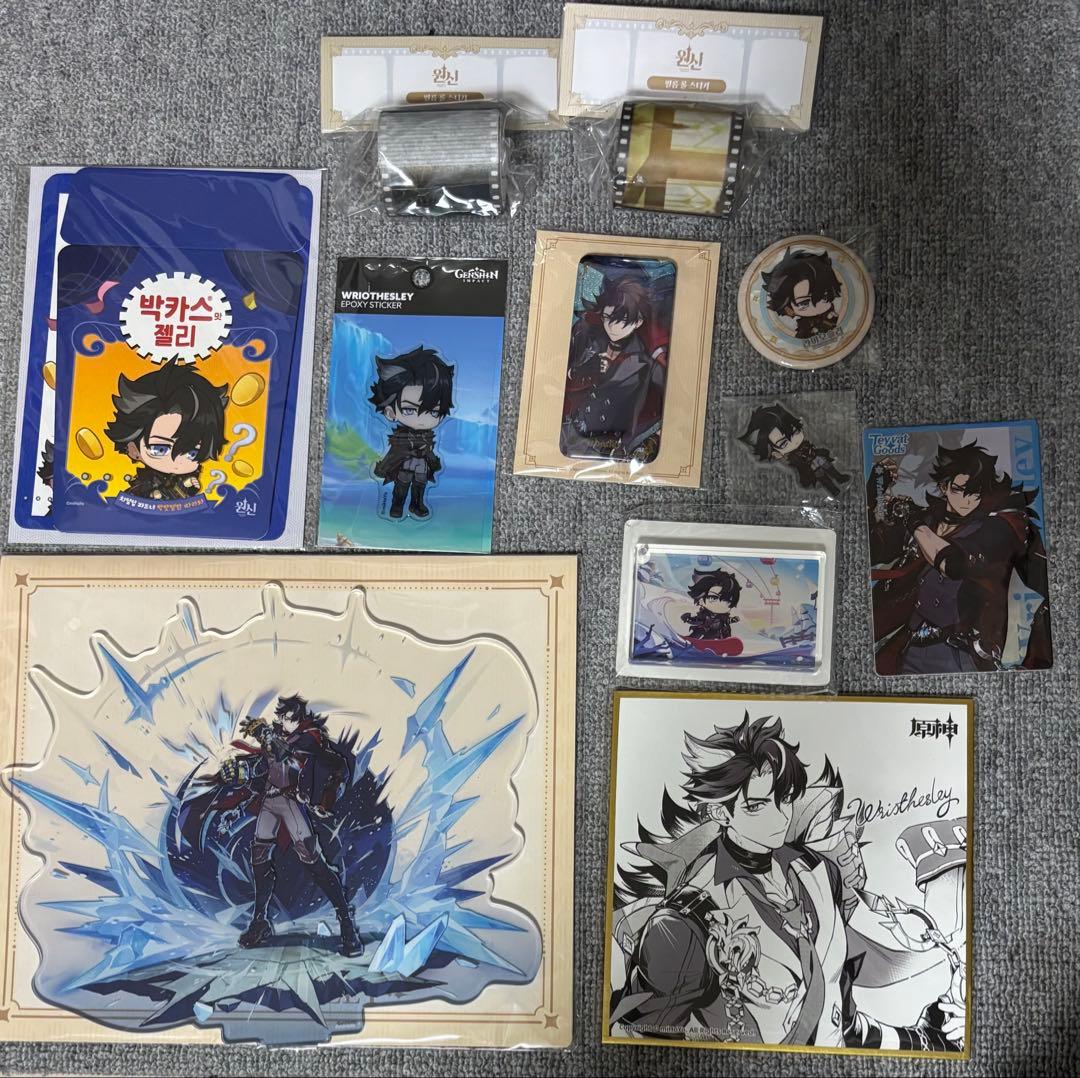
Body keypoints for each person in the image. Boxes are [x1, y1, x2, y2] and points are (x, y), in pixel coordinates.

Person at [610, 712, 965, 1050]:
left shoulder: (820, 871)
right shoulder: (682, 923)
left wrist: (926, 1040)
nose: (779, 817)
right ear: (720, 812)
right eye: (756, 806)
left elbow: (839, 1020)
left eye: (785, 798)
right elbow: (641, 1041)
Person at [867, 440, 1052, 673]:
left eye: (976, 491)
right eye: (959, 489)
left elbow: (953, 564)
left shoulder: (994, 529)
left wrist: (1037, 661)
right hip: (909, 649)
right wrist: (873, 492)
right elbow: (873, 550)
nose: (968, 499)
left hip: (961, 656)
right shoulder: (929, 520)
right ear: (944, 487)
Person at [104, 357, 228, 501]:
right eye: (160, 449)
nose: (177, 461)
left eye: (192, 453)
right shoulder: (146, 481)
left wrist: (191, 485)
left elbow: (186, 492)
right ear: (133, 449)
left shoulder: (185, 476)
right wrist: (153, 495)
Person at [369, 346, 454, 520]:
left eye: (434, 411)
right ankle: (397, 505)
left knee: (420, 482)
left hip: (422, 465)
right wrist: (383, 468)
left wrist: (433, 462)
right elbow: (393, 454)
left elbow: (429, 452)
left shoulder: (427, 438)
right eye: (409, 409)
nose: (422, 419)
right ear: (390, 412)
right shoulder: (401, 439)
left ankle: (417, 504)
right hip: (405, 465)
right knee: (403, 482)